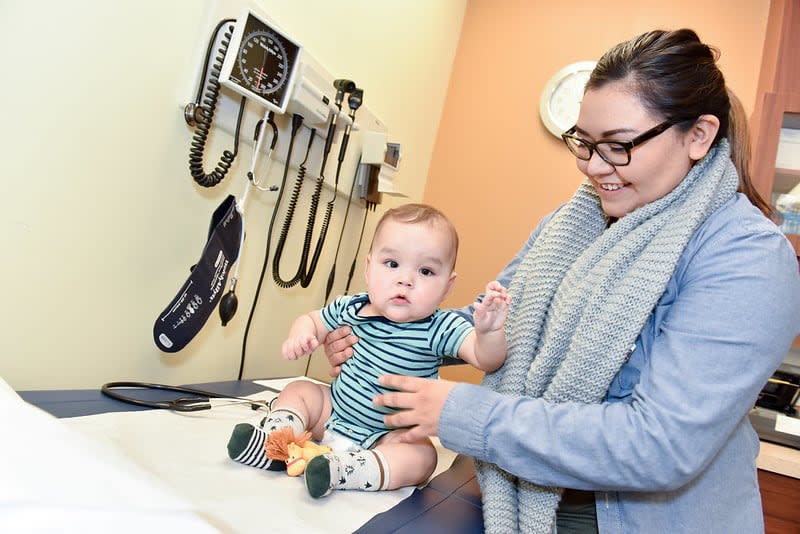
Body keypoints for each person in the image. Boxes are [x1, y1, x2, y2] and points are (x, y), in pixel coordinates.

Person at [323, 29, 800, 534]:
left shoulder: (747, 256)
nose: (593, 167)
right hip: (521, 491)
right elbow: (488, 323)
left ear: (699, 136)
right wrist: (382, 333)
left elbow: (658, 444)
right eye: (585, 143)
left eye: (618, 146)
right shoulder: (571, 224)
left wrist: (466, 412)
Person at [227, 203, 511, 499]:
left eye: (426, 271)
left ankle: (343, 470)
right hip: (333, 413)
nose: (406, 279)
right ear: (368, 267)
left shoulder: (440, 327)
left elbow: (486, 358)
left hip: (387, 434)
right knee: (301, 390)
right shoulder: (351, 307)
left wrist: (489, 332)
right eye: (392, 264)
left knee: (424, 456)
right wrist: (303, 334)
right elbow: (312, 319)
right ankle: (274, 443)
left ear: (447, 287)